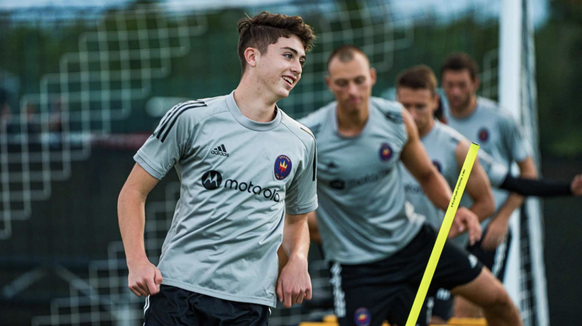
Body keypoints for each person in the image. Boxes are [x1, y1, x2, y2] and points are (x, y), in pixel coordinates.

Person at [296, 45, 520, 326]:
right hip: (357, 266)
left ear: (372, 78)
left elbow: (427, 175)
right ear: (329, 84)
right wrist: (296, 256)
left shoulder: (395, 118)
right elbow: (290, 206)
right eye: (342, 83)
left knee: (498, 299)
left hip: (412, 244)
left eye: (359, 81)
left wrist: (455, 208)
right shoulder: (308, 136)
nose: (353, 91)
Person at [117, 12, 317, 325]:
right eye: (288, 56)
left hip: (249, 304)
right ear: (252, 56)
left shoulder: (302, 141)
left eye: (301, 61)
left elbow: (297, 221)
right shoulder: (191, 118)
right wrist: (137, 261)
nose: (296, 68)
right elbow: (132, 192)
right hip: (178, 293)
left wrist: (298, 260)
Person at [395, 65, 582, 324]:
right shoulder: (387, 141)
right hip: (402, 251)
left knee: (476, 309)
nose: (412, 115)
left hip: (450, 249)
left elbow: (510, 184)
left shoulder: (457, 146)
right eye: (406, 107)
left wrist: (567, 188)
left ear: (434, 102)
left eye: (420, 107)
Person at [440, 53, 537, 318]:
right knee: (439, 315)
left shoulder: (500, 120)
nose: (455, 91)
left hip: (486, 232)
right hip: (447, 232)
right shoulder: (434, 119)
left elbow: (528, 174)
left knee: (470, 311)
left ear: (476, 83)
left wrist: (502, 219)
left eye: (462, 85)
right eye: (449, 85)